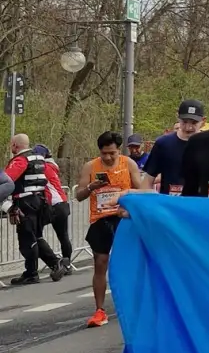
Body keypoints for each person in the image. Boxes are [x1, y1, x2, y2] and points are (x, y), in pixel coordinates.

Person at [75, 131, 148, 328]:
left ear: (119, 151)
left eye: (112, 153)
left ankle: (135, 304)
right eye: (104, 153)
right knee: (100, 262)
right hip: (101, 220)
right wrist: (91, 186)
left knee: (129, 261)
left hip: (123, 219)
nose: (108, 157)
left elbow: (141, 190)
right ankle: (99, 310)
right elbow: (78, 195)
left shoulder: (128, 164)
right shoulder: (90, 166)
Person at [4, 134, 66, 285]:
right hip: (40, 201)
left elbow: (6, 180)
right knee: (36, 236)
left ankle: (31, 273)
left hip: (25, 203)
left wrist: (7, 204)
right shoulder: (38, 158)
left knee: (27, 237)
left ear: (15, 145)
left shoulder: (20, 160)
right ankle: (55, 263)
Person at [144, 100, 206, 196]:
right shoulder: (163, 144)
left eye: (194, 123)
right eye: (184, 122)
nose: (188, 128)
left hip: (198, 206)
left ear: (203, 121)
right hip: (169, 207)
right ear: (178, 118)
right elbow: (147, 182)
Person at [33, 144, 74, 273]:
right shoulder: (52, 166)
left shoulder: (42, 167)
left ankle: (55, 263)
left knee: (34, 234)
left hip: (52, 205)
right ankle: (66, 264)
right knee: (63, 236)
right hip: (62, 202)